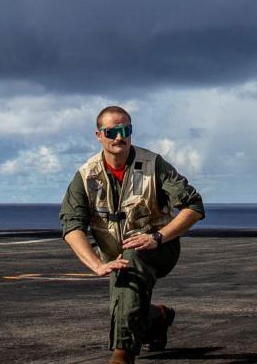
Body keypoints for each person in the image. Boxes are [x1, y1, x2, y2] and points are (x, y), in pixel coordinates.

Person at [60, 105, 206, 364]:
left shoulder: (153, 165)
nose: (120, 136)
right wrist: (97, 265)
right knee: (125, 302)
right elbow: (72, 227)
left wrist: (158, 237)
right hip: (113, 254)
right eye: (112, 131)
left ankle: (123, 355)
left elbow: (193, 207)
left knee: (130, 266)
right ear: (99, 135)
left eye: (126, 130)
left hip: (160, 247)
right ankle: (157, 319)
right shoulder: (85, 176)